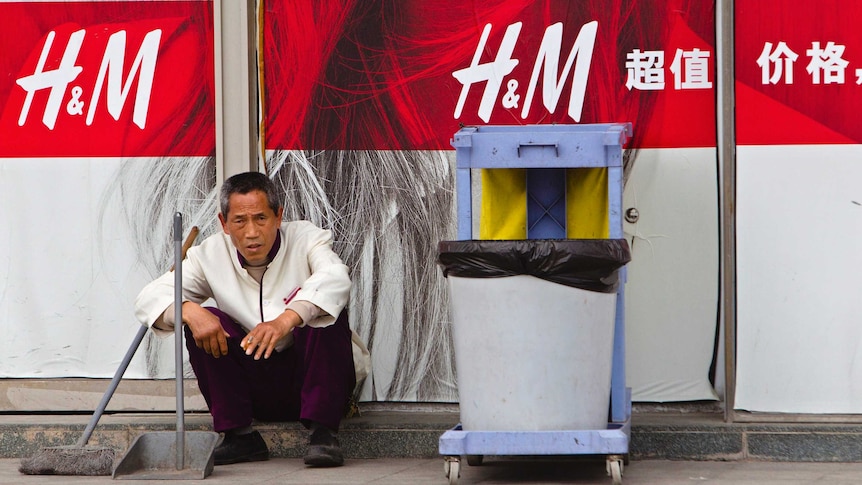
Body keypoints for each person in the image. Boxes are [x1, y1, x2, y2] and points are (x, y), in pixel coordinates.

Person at [134, 171, 357, 467]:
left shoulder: (306, 238)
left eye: (261, 219)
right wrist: (189, 311)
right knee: (203, 319)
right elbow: (149, 297)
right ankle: (239, 436)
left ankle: (323, 435)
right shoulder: (208, 254)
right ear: (224, 223)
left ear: (278, 216)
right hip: (255, 390)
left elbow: (336, 279)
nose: (252, 232)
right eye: (240, 221)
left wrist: (287, 319)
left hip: (311, 381)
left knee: (325, 313)